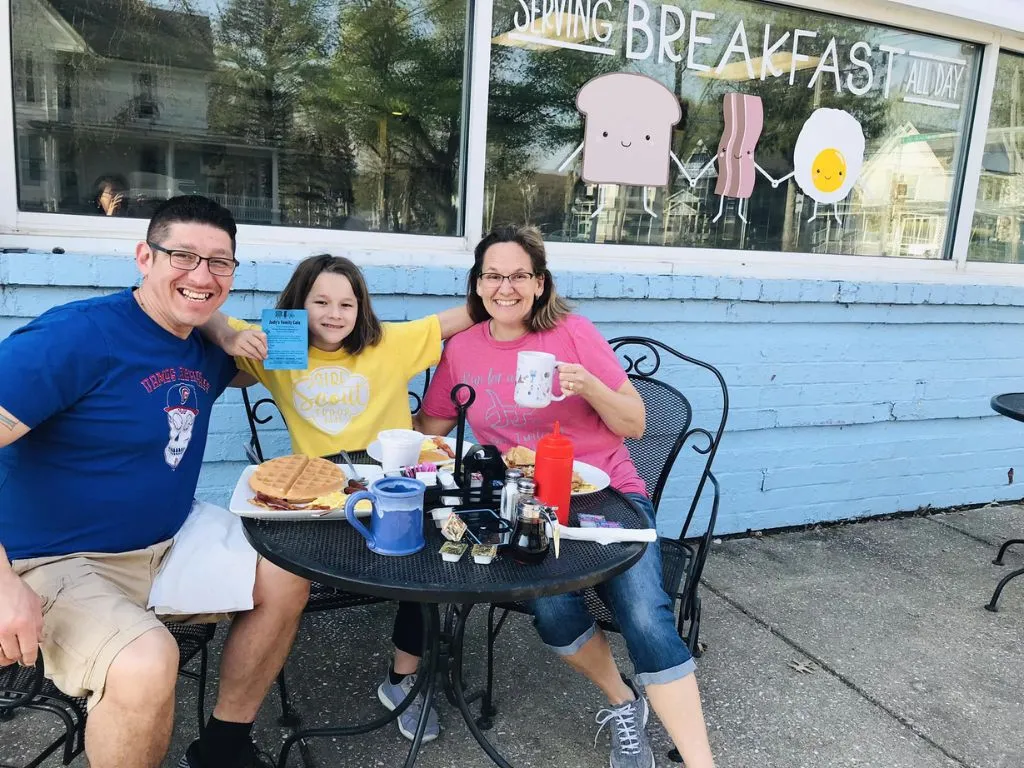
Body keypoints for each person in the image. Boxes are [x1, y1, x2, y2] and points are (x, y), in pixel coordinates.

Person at [0, 196, 310, 768]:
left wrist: (223, 325)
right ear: (144, 256)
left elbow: (290, 346)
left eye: (220, 262)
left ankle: (222, 747)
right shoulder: (75, 337)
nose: (202, 274)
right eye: (183, 256)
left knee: (290, 568)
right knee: (148, 661)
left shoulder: (202, 346)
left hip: (168, 542)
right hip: (52, 560)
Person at [417, 224, 716, 768]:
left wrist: (590, 387)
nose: (504, 287)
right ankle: (624, 703)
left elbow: (635, 422)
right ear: (477, 284)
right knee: (554, 610)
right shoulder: (461, 349)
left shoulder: (573, 332)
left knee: (645, 617)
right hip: (525, 505)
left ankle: (702, 763)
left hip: (605, 497)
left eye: (518, 276)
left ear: (539, 283)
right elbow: (430, 429)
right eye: (492, 275)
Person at [200, 254, 473, 743]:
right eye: (321, 301)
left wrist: (518, 291)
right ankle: (239, 714)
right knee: (275, 572)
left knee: (428, 562)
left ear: (361, 307)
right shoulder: (281, 343)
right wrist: (229, 338)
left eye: (347, 303)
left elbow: (464, 314)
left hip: (390, 488)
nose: (334, 313)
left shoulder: (388, 343)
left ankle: (402, 680)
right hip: (318, 498)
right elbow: (208, 314)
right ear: (298, 304)